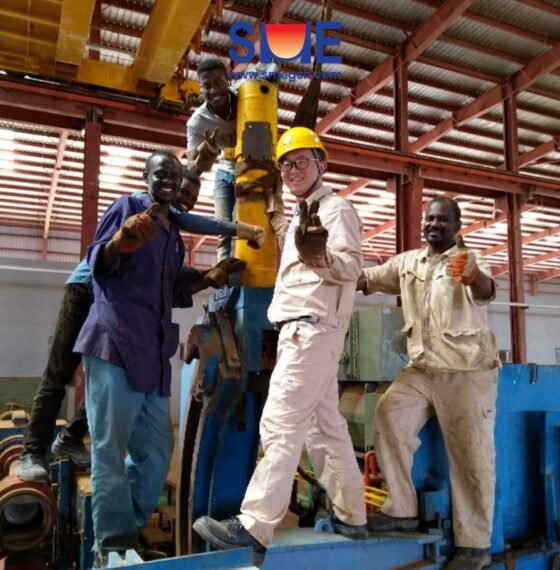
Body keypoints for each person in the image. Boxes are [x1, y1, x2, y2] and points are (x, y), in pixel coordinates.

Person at [17, 167, 263, 483]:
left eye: (190, 196)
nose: (184, 199)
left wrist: (209, 275)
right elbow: (201, 225)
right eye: (180, 190)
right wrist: (242, 229)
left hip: (122, 306)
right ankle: (32, 452)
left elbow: (167, 279)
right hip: (87, 291)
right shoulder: (136, 206)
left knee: (112, 377)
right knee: (60, 373)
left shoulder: (171, 237)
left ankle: (70, 437)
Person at [193, 127, 368, 565]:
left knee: (279, 423)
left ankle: (254, 526)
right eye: (287, 164)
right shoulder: (304, 214)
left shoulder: (336, 209)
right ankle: (353, 516)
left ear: (322, 164)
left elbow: (350, 268)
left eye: (302, 161)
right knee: (324, 428)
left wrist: (320, 257)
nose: (293, 169)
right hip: (303, 331)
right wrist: (271, 205)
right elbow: (288, 232)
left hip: (312, 328)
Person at [359, 197, 499, 570]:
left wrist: (472, 275)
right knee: (389, 413)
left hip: (466, 371)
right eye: (429, 218)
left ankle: (475, 547)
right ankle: (401, 509)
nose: (433, 224)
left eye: (442, 219)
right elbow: (368, 278)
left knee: (472, 456)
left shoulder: (469, 260)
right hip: (422, 370)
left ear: (457, 226)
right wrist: (325, 263)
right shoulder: (409, 263)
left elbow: (485, 289)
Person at [187, 58, 237, 261]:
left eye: (218, 82)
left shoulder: (248, 96)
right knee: (223, 227)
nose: (214, 89)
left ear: (228, 82)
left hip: (255, 171)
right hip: (226, 172)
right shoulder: (197, 123)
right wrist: (204, 155)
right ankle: (223, 275)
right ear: (201, 89)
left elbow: (267, 72)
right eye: (207, 85)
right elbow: (192, 167)